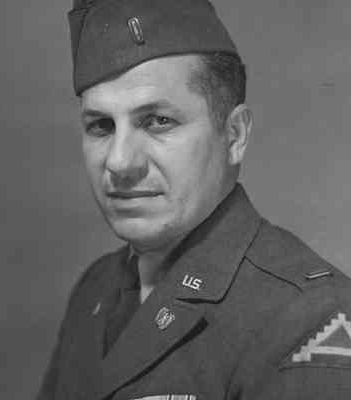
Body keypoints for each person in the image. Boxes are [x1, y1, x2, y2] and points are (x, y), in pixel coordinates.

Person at [37, 0, 351, 399]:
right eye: (101, 125)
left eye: (158, 121)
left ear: (234, 136)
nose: (119, 162)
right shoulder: (95, 290)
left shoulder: (308, 316)